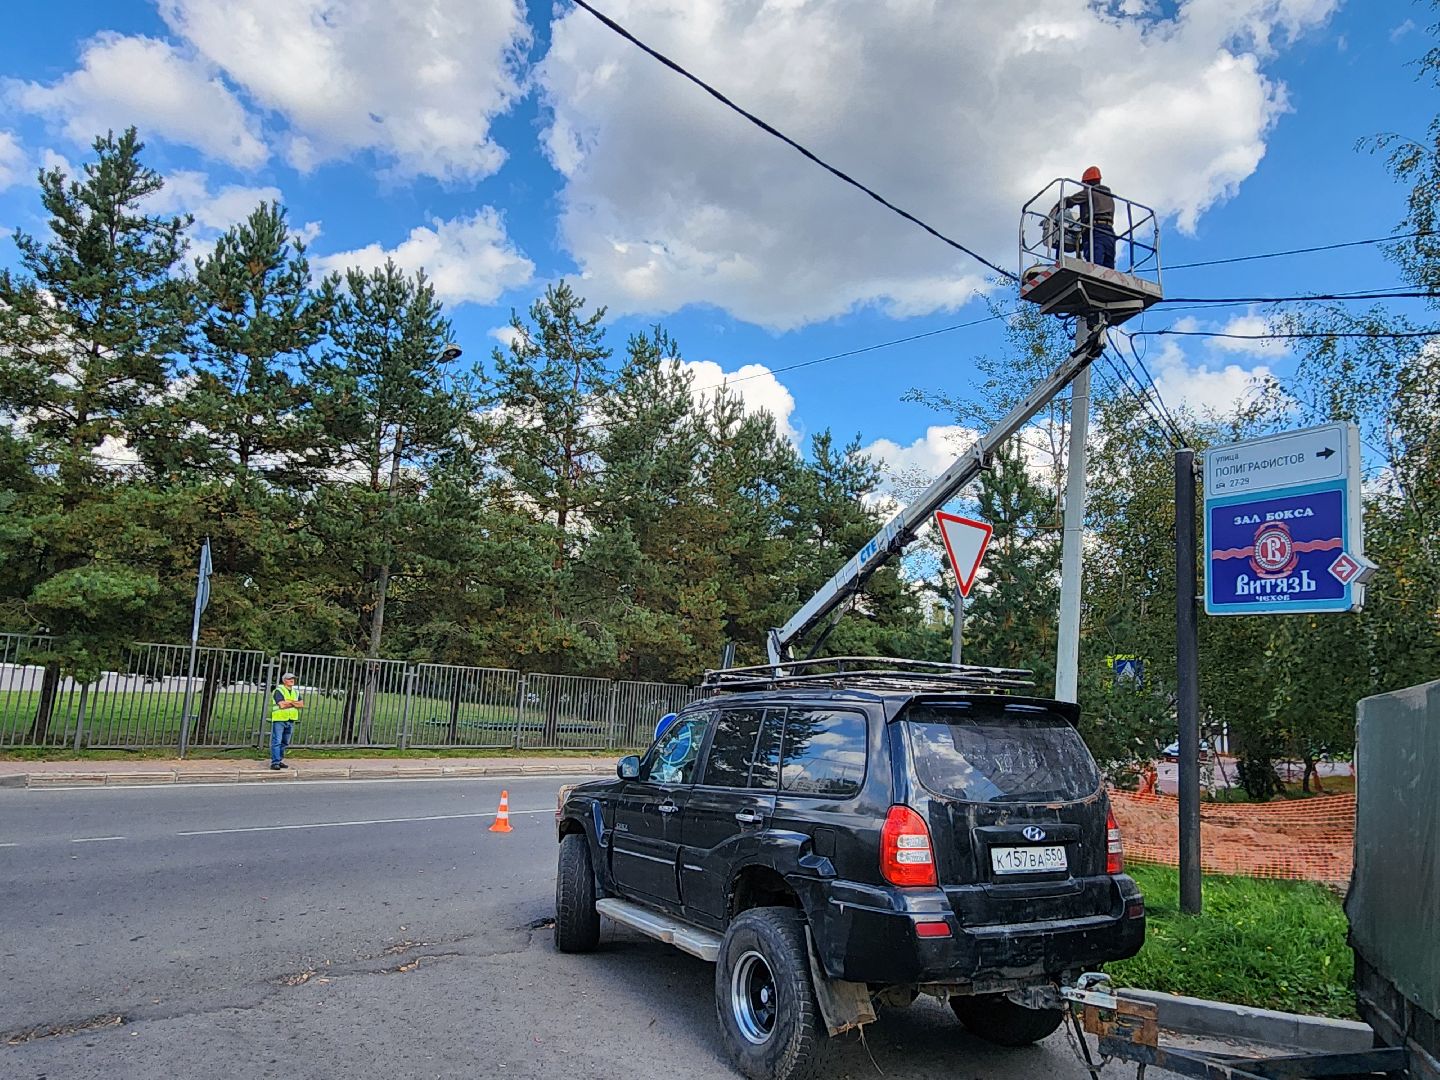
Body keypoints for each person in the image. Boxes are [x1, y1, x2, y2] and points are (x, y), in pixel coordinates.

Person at [1067, 165, 1116, 269]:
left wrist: (1059, 206)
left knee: (1095, 266)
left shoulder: (1089, 192)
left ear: (1086, 182)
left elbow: (1070, 201)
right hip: (1109, 233)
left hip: (1095, 231)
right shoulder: (1108, 196)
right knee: (1109, 269)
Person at [269, 672, 305, 770]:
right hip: (280, 718)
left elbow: (301, 704)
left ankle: (279, 760)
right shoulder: (279, 690)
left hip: (291, 719)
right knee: (277, 741)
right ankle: (275, 762)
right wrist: (294, 703)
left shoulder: (295, 692)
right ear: (284, 680)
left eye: (293, 678)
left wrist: (289, 702)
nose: (292, 680)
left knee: (285, 742)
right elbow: (281, 705)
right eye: (289, 679)